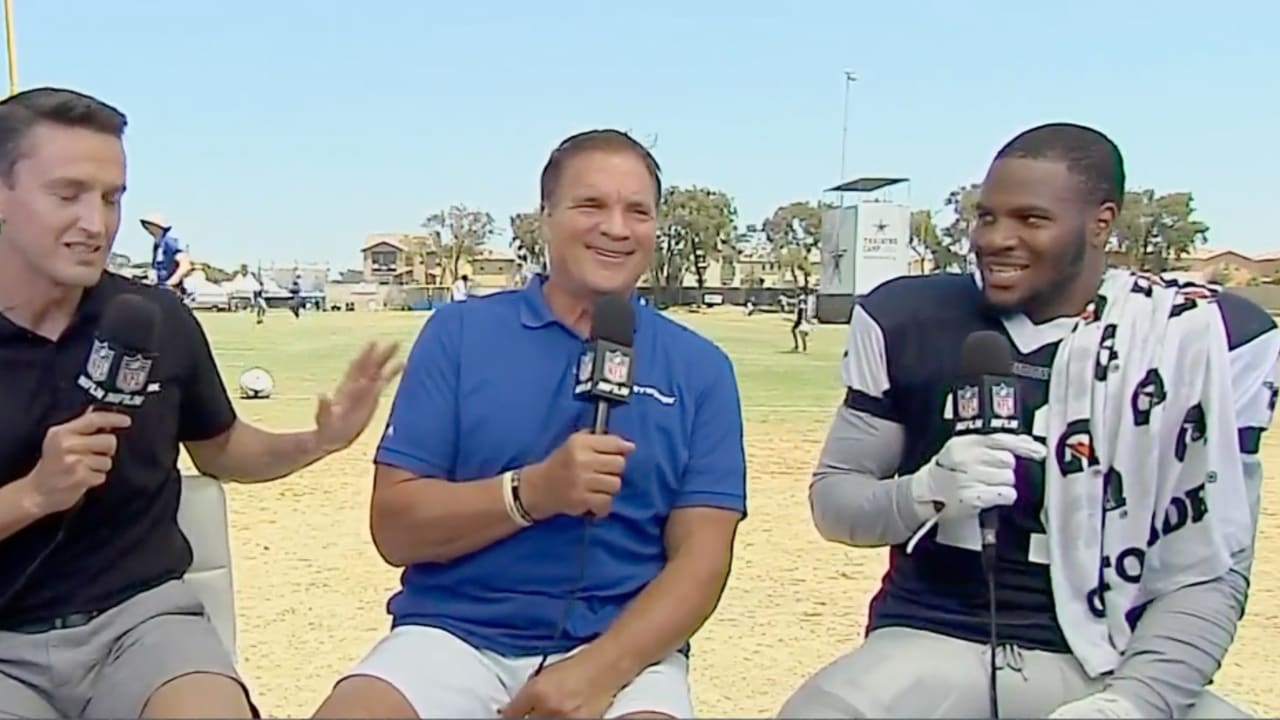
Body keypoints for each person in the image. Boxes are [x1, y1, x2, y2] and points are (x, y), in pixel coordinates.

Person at [778, 123, 1278, 719]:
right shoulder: (907, 316)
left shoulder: (1204, 340)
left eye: (1031, 220)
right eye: (986, 217)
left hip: (1117, 658)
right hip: (937, 635)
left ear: (1101, 222)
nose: (996, 239)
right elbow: (836, 503)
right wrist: (923, 492)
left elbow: (1211, 566)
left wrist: (1137, 702)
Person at [313, 129, 747, 719]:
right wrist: (531, 492)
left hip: (625, 652)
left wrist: (599, 671)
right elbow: (395, 529)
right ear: (545, 218)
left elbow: (703, 560)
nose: (616, 227)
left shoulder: (702, 369)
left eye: (637, 211)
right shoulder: (459, 336)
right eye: (591, 205)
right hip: (452, 637)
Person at [0, 87, 402, 718]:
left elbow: (223, 449)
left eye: (112, 199)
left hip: (143, 625)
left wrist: (317, 440)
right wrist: (33, 495)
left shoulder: (154, 320)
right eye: (68, 194)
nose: (96, 223)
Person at [140, 211, 192, 296]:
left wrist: (170, 283)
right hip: (161, 289)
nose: (147, 229)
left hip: (172, 291)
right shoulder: (157, 244)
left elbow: (185, 265)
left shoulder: (170, 241)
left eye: (149, 226)